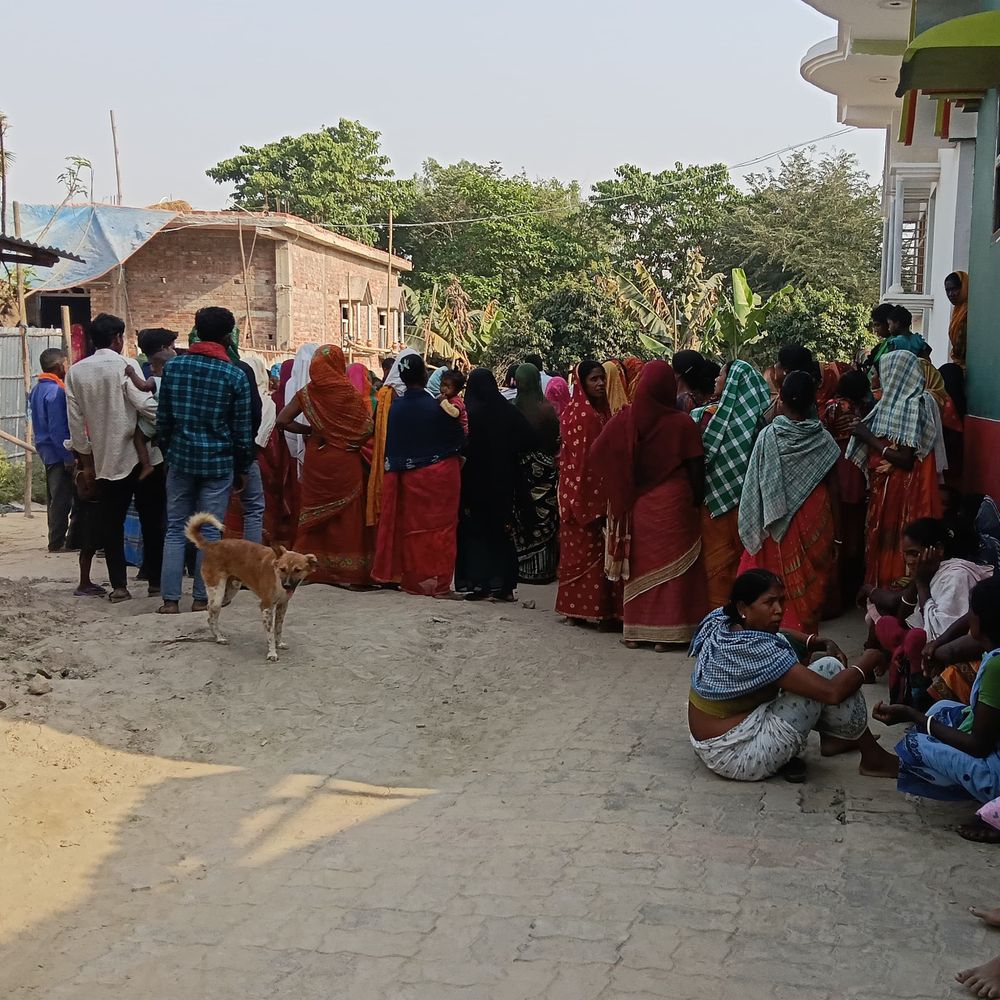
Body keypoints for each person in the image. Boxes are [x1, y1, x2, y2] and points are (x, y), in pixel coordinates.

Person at [688, 569, 898, 783]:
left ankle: (836, 739)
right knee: (829, 669)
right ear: (743, 607)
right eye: (769, 603)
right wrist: (870, 659)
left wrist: (815, 641)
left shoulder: (723, 622)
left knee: (810, 670)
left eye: (781, 601)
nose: (779, 610)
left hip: (711, 743)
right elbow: (832, 693)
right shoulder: (756, 650)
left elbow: (777, 634)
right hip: (737, 754)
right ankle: (873, 758)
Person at [591, 361, 708, 649]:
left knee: (642, 568)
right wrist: (697, 501)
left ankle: (635, 631)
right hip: (674, 504)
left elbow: (596, 452)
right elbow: (696, 469)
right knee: (674, 571)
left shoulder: (625, 419)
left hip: (639, 506)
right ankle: (667, 637)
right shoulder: (682, 424)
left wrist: (623, 482)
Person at [874, 576, 1000, 831]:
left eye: (970, 612)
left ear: (980, 621)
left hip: (993, 769)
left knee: (913, 745)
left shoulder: (997, 665)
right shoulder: (991, 653)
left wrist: (913, 715)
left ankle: (986, 795)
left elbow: (978, 745)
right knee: (941, 710)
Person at [156, 306, 254, 614]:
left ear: (196, 330)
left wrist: (169, 452)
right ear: (228, 337)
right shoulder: (234, 375)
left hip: (181, 459)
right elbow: (242, 429)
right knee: (209, 533)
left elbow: (163, 419)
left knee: (174, 528)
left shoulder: (174, 368)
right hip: (218, 462)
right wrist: (242, 467)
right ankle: (201, 597)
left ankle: (170, 600)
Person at [65, 313, 162, 603]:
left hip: (106, 458)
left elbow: (76, 424)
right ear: (117, 338)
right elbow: (145, 406)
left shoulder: (76, 372)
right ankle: (155, 582)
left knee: (111, 524)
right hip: (142, 458)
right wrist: (166, 416)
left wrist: (87, 462)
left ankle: (119, 586)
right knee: (152, 521)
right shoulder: (126, 364)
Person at [739, 372, 841, 634]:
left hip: (775, 519)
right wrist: (839, 537)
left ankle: (769, 641)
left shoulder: (768, 436)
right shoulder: (825, 440)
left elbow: (754, 485)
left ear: (781, 400)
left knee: (770, 583)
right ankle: (803, 641)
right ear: (813, 402)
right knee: (809, 587)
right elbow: (834, 488)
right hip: (815, 516)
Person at [860, 516, 992, 707]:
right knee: (887, 624)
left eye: (914, 553)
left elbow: (940, 630)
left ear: (938, 549)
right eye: (906, 554)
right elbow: (902, 617)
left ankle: (920, 703)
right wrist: (918, 580)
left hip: (951, 646)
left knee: (914, 638)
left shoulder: (956, 575)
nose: (909, 561)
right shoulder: (930, 571)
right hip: (929, 637)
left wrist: (922, 584)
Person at [276, 345, 375, 588]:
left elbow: (282, 421)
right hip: (344, 457)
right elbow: (367, 427)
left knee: (313, 511)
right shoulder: (348, 393)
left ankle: (310, 569)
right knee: (347, 514)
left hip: (317, 457)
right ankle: (348, 574)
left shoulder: (307, 393)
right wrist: (353, 442)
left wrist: (310, 430)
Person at [848, 350, 944, 590]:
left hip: (902, 491)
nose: (877, 379)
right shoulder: (889, 404)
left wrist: (867, 436)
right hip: (887, 488)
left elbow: (905, 459)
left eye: (882, 373)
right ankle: (881, 590)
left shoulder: (911, 406)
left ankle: (896, 592)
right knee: (882, 538)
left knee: (895, 538)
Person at [372, 354, 466, 596]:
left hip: (407, 478)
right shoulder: (437, 406)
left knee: (413, 530)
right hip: (441, 477)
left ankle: (414, 581)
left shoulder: (395, 408)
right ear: (425, 376)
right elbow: (458, 439)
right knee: (442, 530)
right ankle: (441, 585)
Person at [691, 360, 770, 610]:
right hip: (748, 504)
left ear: (733, 382)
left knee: (716, 560)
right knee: (739, 556)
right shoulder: (763, 422)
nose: (716, 380)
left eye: (721, 376)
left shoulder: (704, 417)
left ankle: (716, 611)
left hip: (711, 501)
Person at [456, 368, 535, 601]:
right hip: (503, 482)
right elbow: (530, 438)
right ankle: (504, 586)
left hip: (473, 483)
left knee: (476, 534)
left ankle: (478, 583)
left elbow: (460, 446)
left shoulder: (470, 414)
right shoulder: (508, 412)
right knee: (501, 533)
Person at [555, 360, 621, 626]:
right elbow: (582, 461)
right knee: (582, 552)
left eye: (602, 379)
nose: (600, 384)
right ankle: (578, 610)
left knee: (594, 552)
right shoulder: (584, 415)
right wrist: (585, 498)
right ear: (582, 382)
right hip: (581, 494)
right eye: (594, 379)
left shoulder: (602, 411)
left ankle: (594, 609)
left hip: (592, 492)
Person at [820, 370, 871, 614]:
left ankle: (838, 594)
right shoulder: (850, 408)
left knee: (838, 532)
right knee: (852, 533)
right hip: (850, 469)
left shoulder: (830, 405)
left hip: (837, 466)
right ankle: (848, 593)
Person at [511, 363, 561, 585]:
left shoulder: (513, 407)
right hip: (545, 472)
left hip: (520, 471)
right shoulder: (547, 409)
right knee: (545, 517)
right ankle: (544, 569)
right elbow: (554, 442)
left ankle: (522, 567)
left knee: (523, 515)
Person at [29, 348, 76, 553]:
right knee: (61, 497)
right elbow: (58, 429)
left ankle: (57, 538)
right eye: (65, 363)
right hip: (57, 451)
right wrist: (68, 457)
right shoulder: (56, 391)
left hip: (45, 449)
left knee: (54, 495)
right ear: (59, 367)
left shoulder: (37, 389)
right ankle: (57, 541)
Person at [946, 270, 970, 368]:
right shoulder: (957, 311)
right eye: (947, 290)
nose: (950, 294)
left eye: (954, 289)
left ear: (963, 287)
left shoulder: (969, 311)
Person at [437, 369, 469, 434]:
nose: (444, 388)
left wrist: (443, 402)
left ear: (457, 390)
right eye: (442, 384)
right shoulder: (445, 397)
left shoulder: (456, 400)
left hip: (461, 433)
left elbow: (455, 413)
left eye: (448, 386)